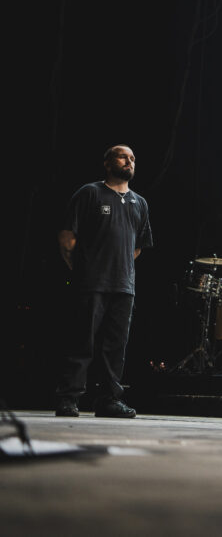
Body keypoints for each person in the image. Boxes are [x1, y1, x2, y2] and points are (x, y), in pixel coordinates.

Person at [55, 145, 154, 418]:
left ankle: (109, 400)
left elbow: (137, 247)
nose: (129, 161)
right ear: (108, 162)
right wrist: (83, 269)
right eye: (123, 157)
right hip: (90, 283)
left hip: (123, 286)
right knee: (81, 343)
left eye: (133, 158)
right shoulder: (90, 193)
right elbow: (67, 240)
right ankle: (68, 398)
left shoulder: (140, 203)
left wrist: (119, 269)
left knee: (115, 348)